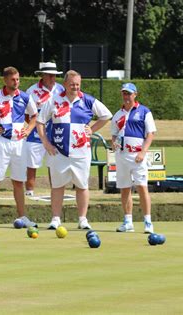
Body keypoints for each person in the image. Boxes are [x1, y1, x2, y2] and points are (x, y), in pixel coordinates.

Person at [37, 70, 112, 230]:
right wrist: (45, 143)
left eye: (77, 84)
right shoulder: (54, 100)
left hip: (81, 152)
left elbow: (106, 115)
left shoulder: (88, 100)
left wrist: (92, 129)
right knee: (57, 186)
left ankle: (82, 219)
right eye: (72, 84)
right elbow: (40, 121)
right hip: (58, 150)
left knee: (82, 185)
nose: (75, 87)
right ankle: (56, 218)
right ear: (64, 84)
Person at [0, 66, 39, 229]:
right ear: (5, 80)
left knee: (18, 181)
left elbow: (35, 115)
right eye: (13, 79)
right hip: (1, 142)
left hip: (19, 144)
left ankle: (22, 217)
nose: (16, 82)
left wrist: (29, 129)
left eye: (18, 79)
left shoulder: (24, 97)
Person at [111, 83, 156, 233]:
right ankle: (128, 221)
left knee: (142, 187)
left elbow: (150, 134)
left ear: (135, 94)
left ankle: (148, 222)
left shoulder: (144, 112)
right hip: (122, 156)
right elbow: (114, 135)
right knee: (124, 188)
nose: (126, 97)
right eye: (124, 93)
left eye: (129, 94)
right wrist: (114, 143)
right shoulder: (118, 114)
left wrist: (143, 152)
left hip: (138, 156)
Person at [24, 62, 65, 197]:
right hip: (35, 135)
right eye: (50, 75)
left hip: (56, 134)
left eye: (55, 75)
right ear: (43, 75)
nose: (53, 78)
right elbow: (26, 113)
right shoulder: (31, 91)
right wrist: (34, 126)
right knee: (32, 164)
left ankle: (56, 192)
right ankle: (29, 192)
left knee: (54, 164)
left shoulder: (61, 90)